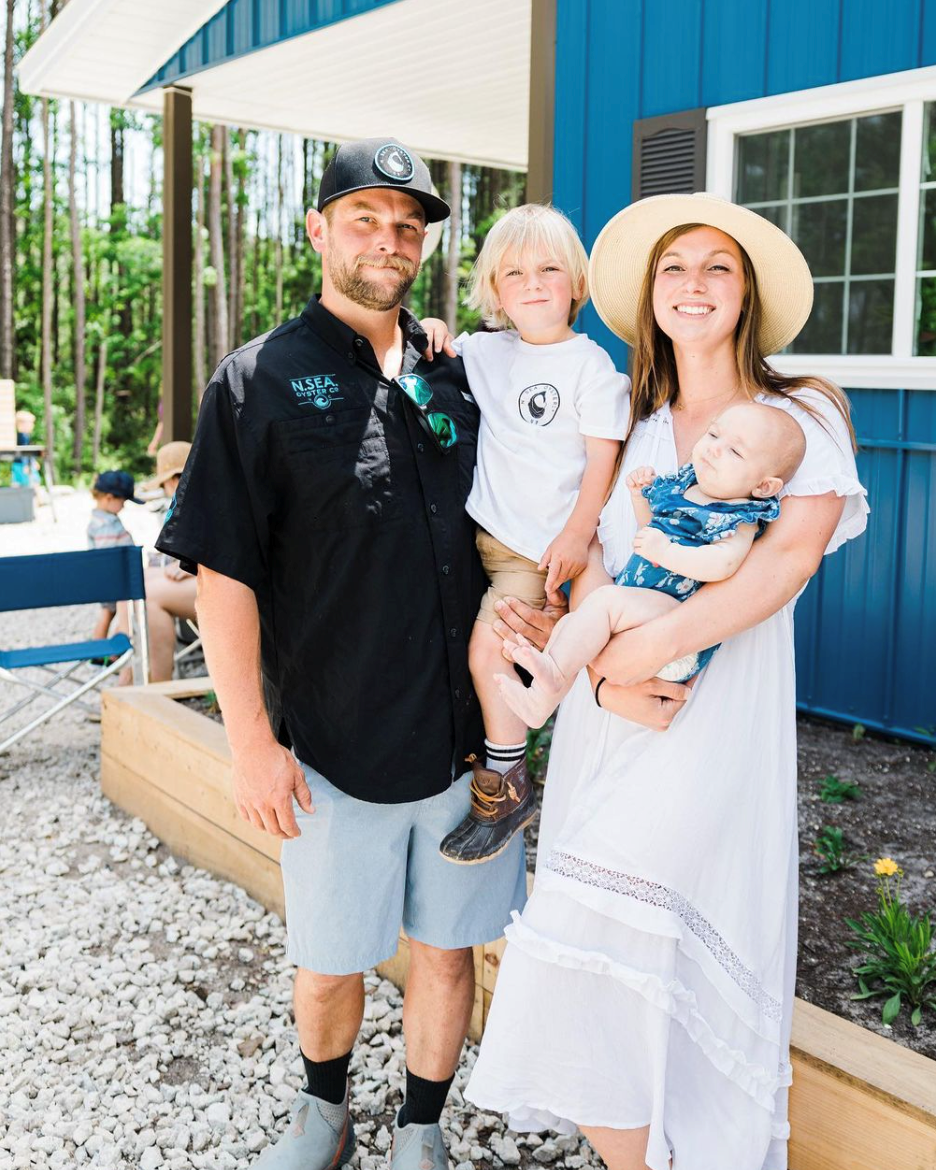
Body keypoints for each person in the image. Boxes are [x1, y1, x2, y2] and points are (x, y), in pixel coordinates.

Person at [154, 137, 565, 1170]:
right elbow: (226, 575)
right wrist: (249, 742)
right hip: (334, 739)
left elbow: (551, 472)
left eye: (407, 225)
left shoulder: (464, 370)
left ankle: (420, 1127)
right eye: (365, 219)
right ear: (318, 232)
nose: (388, 240)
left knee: (447, 949)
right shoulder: (257, 382)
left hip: (472, 743)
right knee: (331, 956)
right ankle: (324, 1112)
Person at [465, 193, 869, 1170]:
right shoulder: (637, 423)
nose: (693, 284)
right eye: (674, 268)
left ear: (749, 294)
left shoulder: (795, 415)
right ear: (650, 296)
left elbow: (784, 565)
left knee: (655, 943)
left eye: (716, 267)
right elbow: (595, 564)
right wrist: (602, 682)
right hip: (613, 720)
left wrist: (643, 651)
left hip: (711, 720)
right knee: (585, 970)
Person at [419, 204, 628, 866]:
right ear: (495, 290)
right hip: (479, 540)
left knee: (490, 652)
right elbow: (437, 346)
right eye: (514, 273)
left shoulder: (591, 367)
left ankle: (506, 784)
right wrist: (428, 326)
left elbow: (603, 461)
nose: (532, 284)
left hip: (537, 549)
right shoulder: (486, 352)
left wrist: (575, 536)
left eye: (547, 269)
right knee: (468, 650)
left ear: (574, 281)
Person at [498, 401, 806, 727]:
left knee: (602, 603)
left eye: (735, 452)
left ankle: (554, 677)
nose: (715, 449)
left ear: (764, 486)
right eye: (714, 434)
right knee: (572, 625)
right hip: (647, 604)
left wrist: (667, 552)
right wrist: (640, 499)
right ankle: (540, 699)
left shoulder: (739, 515)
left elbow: (723, 564)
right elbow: (652, 535)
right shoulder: (686, 488)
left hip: (677, 619)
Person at [141, 441, 196, 683]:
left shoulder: (206, 500)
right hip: (209, 576)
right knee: (136, 580)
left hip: (228, 585)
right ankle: (132, 674)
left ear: (173, 480)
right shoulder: (203, 498)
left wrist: (192, 565)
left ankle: (158, 684)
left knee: (150, 596)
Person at [86, 469, 141, 642]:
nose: (123, 506)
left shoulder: (101, 519)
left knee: (110, 613)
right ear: (109, 498)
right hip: (114, 580)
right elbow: (108, 556)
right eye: (123, 501)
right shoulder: (105, 525)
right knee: (113, 612)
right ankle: (105, 650)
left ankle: (102, 650)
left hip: (110, 580)